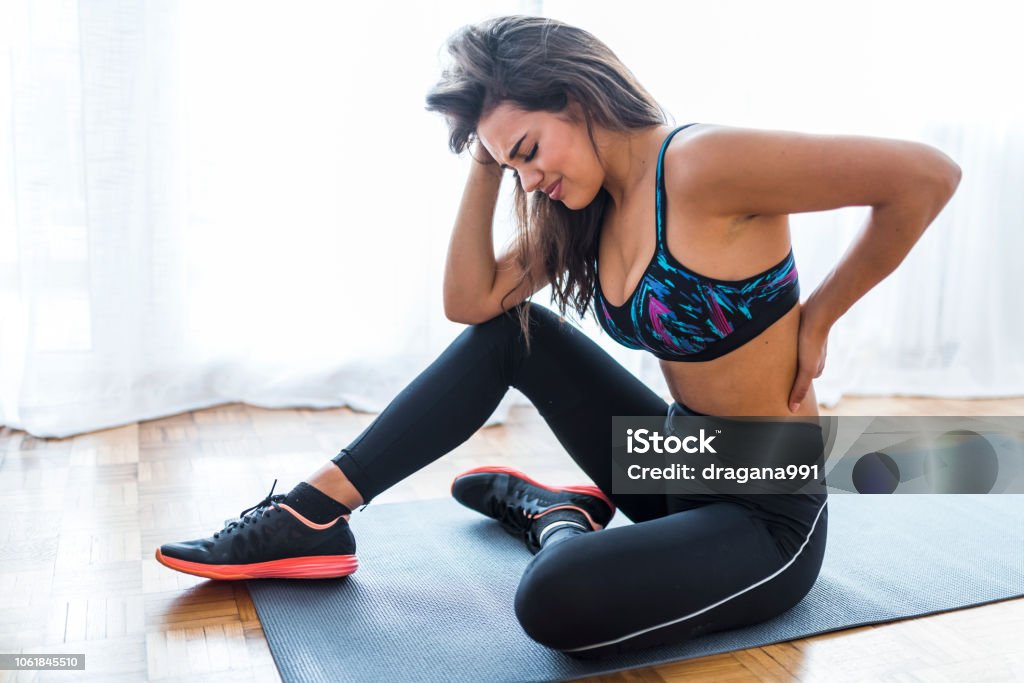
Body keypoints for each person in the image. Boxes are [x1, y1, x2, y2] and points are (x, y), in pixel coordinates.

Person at [154, 15, 961, 658]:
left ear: (577, 97)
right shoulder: (586, 212)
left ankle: (553, 517)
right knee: (517, 333)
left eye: (531, 151)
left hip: (766, 506)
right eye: (513, 168)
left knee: (553, 598)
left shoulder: (704, 164)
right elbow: (471, 303)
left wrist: (821, 315)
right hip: (676, 462)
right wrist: (487, 157)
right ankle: (312, 512)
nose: (529, 179)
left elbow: (925, 176)